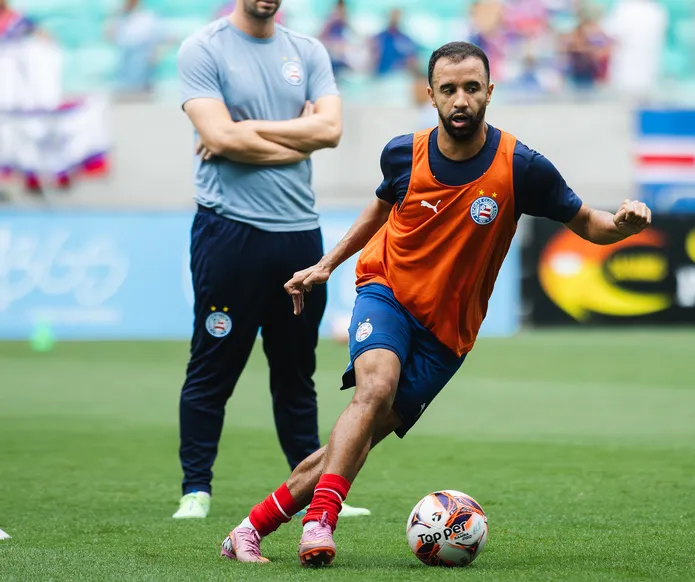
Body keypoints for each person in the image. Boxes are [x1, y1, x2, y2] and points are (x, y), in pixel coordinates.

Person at [218, 40, 652, 566]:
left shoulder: (522, 167)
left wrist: (622, 226)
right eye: (449, 90)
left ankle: (249, 529)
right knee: (374, 388)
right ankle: (318, 524)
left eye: (472, 88)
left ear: (490, 92)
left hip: (447, 336)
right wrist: (326, 265)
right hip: (387, 292)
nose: (461, 100)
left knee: (354, 441)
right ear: (431, 95)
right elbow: (377, 212)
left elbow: (589, 223)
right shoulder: (404, 153)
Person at [174, 0, 369, 520]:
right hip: (228, 232)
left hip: (299, 237)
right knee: (214, 364)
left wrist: (248, 132)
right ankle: (196, 489)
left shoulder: (308, 51)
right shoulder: (203, 48)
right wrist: (295, 138)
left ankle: (310, 489)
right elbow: (217, 136)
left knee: (295, 371)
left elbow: (329, 132)